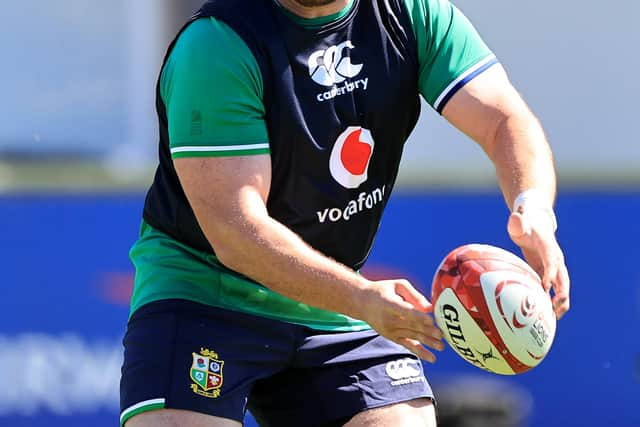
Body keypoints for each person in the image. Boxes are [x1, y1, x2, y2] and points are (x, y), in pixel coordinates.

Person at [119, 0, 571, 426]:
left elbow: (504, 120)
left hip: (331, 303)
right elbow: (235, 232)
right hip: (205, 293)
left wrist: (533, 209)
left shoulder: (410, 14)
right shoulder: (217, 45)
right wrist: (360, 299)